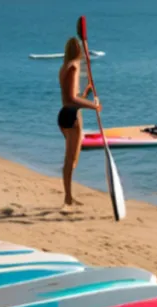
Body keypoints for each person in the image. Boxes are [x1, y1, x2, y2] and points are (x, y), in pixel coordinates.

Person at [58, 37, 100, 207]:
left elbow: (71, 96)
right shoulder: (74, 67)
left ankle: (68, 196)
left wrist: (86, 93)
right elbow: (71, 99)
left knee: (71, 160)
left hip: (64, 115)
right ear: (79, 51)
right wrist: (94, 106)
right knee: (71, 161)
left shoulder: (64, 67)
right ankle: (68, 197)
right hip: (72, 117)